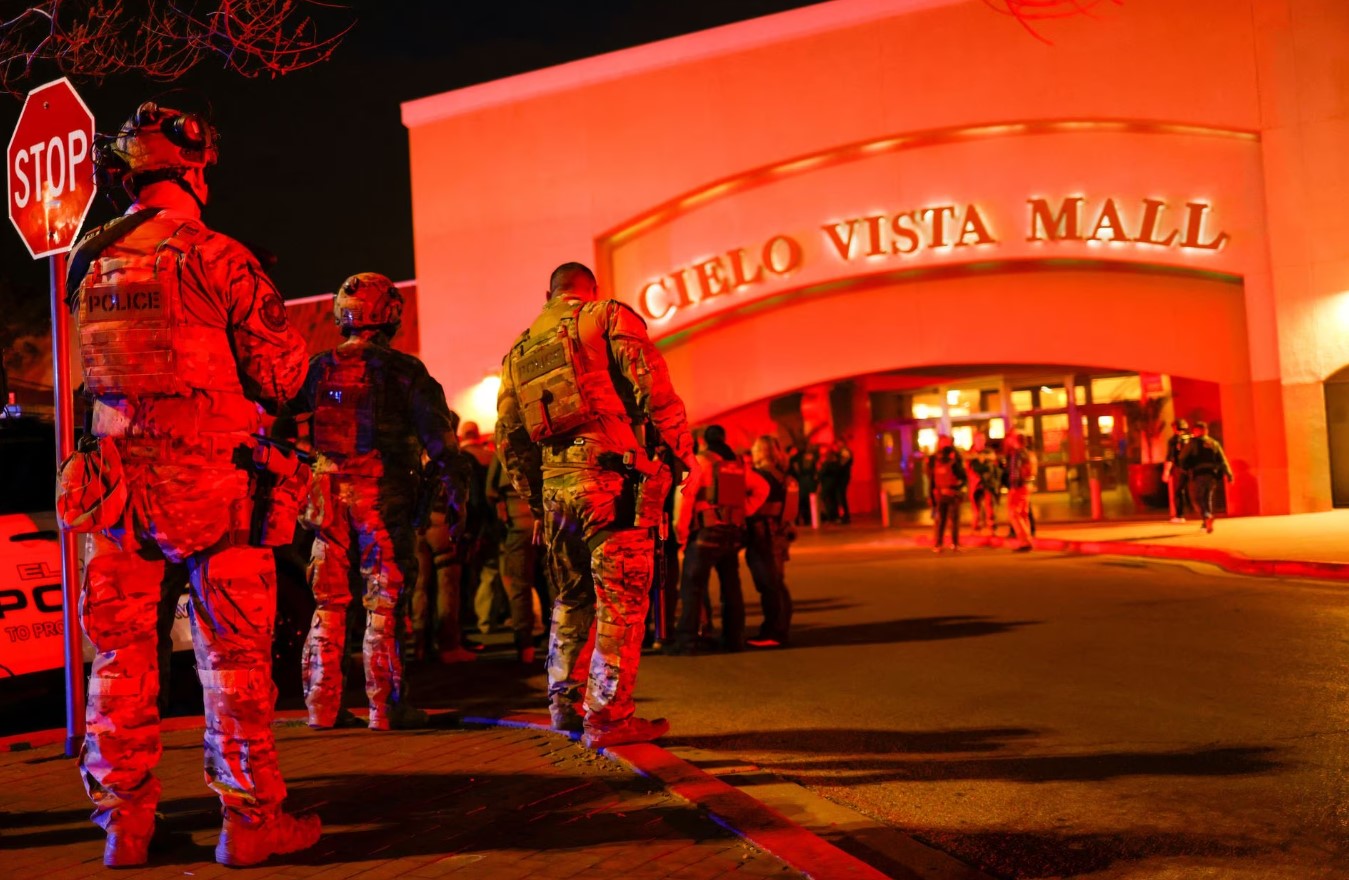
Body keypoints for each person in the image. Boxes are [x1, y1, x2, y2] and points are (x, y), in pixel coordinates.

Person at [62, 100, 319, 867]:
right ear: (197, 168)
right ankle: (248, 821)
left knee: (119, 662)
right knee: (234, 658)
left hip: (115, 486)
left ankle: (124, 827)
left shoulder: (88, 266)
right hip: (215, 485)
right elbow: (278, 376)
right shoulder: (217, 256)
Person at [496, 262, 698, 749]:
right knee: (622, 602)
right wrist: (683, 452)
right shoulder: (607, 316)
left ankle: (564, 705)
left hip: (555, 487)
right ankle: (608, 716)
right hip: (610, 480)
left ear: (548, 293)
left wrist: (536, 501)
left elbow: (508, 437)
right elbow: (654, 387)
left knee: (570, 598)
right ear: (591, 290)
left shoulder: (519, 350)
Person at [291, 272, 460, 732]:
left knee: (327, 602)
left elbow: (280, 421)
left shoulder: (317, 367)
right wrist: (454, 496)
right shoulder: (405, 371)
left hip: (326, 501)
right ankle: (386, 708)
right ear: (390, 315)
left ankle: (321, 708)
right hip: (382, 500)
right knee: (384, 603)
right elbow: (442, 444)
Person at [673, 425, 768, 654]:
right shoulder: (737, 464)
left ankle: (687, 641)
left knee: (692, 586)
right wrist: (743, 510)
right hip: (731, 532)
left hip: (706, 533)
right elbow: (762, 488)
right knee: (731, 586)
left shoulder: (699, 462)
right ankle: (734, 638)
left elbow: (685, 498)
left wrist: (681, 531)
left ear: (703, 441)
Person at [486, 449, 542, 662]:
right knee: (557, 582)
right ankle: (563, 643)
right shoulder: (543, 437)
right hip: (548, 517)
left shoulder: (505, 445)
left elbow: (490, 490)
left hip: (518, 520)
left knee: (519, 584)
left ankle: (524, 645)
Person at [745, 436, 797, 648]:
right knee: (778, 582)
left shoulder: (759, 476)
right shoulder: (787, 478)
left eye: (755, 450)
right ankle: (781, 627)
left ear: (760, 452)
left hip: (763, 534)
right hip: (780, 534)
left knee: (769, 584)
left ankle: (773, 632)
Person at [1179, 421, 1233, 533]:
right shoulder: (1214, 443)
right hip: (1212, 474)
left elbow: (1182, 457)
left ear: (1198, 431)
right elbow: (1223, 460)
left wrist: (1184, 469)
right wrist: (1229, 474)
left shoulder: (1193, 443)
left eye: (1195, 431)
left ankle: (1207, 516)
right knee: (1207, 497)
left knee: (1197, 498)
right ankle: (1206, 521)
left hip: (1199, 473)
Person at [926, 434, 967, 552]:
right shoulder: (934, 459)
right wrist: (932, 495)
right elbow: (932, 478)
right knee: (941, 520)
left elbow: (962, 475)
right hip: (941, 493)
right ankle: (939, 543)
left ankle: (953, 543)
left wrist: (957, 488)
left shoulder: (954, 458)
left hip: (950, 493)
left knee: (953, 519)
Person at [1004, 430, 1038, 552]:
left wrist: (1012, 487)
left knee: (1014, 513)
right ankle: (1027, 540)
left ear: (1015, 441)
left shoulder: (1017, 454)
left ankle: (1024, 541)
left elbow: (1015, 473)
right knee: (1024, 514)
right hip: (1027, 486)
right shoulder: (1029, 453)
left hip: (1018, 487)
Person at [967, 430, 1002, 535]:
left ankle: (992, 527)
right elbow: (967, 467)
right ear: (974, 440)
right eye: (979, 439)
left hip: (988, 483)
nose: (981, 442)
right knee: (976, 508)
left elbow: (994, 462)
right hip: (975, 484)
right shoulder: (970, 453)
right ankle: (976, 527)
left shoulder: (988, 452)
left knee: (989, 506)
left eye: (982, 439)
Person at [1163, 419, 1193, 523]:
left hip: (1181, 469)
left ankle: (1180, 515)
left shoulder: (1174, 440)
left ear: (1175, 428)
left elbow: (1170, 457)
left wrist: (1166, 472)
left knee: (1178, 492)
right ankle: (1200, 513)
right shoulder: (1192, 438)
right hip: (1194, 469)